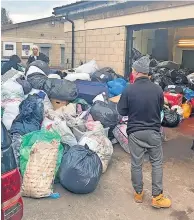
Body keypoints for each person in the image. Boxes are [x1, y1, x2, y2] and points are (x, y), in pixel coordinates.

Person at [117, 56, 171, 209]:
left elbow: (121, 110)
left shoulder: (129, 88)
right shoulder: (157, 89)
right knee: (157, 164)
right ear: (147, 73)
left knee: (136, 164)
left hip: (135, 132)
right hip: (153, 132)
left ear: (136, 71)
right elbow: (161, 108)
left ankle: (138, 193)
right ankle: (157, 197)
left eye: (133, 70)